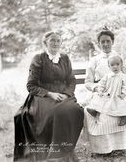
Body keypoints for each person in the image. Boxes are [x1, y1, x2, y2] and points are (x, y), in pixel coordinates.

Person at [14, 31, 84, 161]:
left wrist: (66, 94)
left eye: (58, 40)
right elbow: (31, 85)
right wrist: (50, 94)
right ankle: (54, 152)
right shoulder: (38, 59)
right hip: (42, 96)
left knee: (75, 110)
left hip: (63, 95)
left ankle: (66, 150)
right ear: (45, 43)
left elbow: (71, 80)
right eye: (52, 40)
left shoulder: (65, 58)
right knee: (55, 112)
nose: (55, 43)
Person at [84, 29, 126, 154]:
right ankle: (103, 149)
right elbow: (88, 82)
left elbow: (125, 77)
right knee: (102, 113)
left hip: (117, 91)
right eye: (102, 42)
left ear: (112, 42)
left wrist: (124, 90)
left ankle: (122, 147)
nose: (106, 44)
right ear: (99, 43)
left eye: (108, 41)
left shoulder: (118, 58)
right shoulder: (94, 60)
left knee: (125, 105)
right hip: (102, 91)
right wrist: (97, 88)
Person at [86, 55, 126, 126]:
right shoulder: (107, 76)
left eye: (117, 64)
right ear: (109, 66)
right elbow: (102, 83)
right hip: (109, 93)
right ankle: (96, 111)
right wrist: (100, 90)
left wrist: (123, 93)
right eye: (112, 65)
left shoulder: (123, 76)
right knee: (100, 98)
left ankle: (123, 117)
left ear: (121, 65)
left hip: (119, 94)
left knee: (123, 103)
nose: (115, 67)